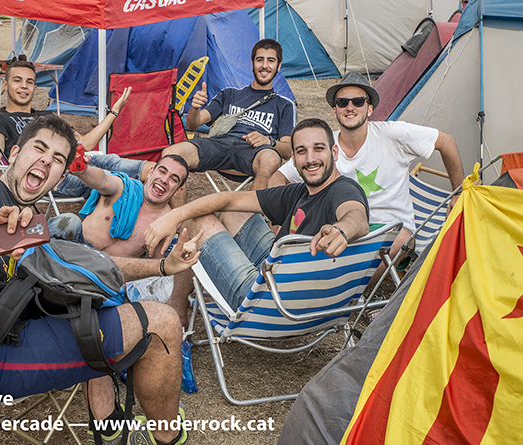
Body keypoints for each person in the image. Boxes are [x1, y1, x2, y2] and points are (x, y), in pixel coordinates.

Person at [0, 115, 192, 445]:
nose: (46, 160)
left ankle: (108, 426)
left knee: (95, 311)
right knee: (162, 323)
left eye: (57, 159)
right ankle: (166, 438)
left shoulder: (28, 221)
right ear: (14, 153)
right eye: (39, 148)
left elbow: (86, 266)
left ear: (60, 177)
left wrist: (161, 267)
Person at [145, 118, 369, 309]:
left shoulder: (343, 189)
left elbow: (356, 216)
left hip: (268, 300)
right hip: (277, 274)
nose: (310, 159)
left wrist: (342, 230)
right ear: (293, 158)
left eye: (318, 149)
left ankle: (177, 308)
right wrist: (173, 216)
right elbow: (230, 200)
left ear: (334, 152)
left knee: (197, 222)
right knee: (235, 211)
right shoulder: (301, 191)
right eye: (302, 151)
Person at [268, 71, 465, 272]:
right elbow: (278, 177)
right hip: (341, 230)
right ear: (335, 110)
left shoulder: (393, 134)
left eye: (358, 101)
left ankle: (349, 289)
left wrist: (459, 191)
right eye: (342, 102)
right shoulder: (324, 146)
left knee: (401, 241)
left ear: (369, 109)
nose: (350, 107)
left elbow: (446, 141)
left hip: (390, 229)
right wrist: (281, 224)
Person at [0, 59, 153, 200]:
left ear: (35, 87)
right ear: (5, 84)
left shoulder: (47, 116)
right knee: (119, 183)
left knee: (138, 169)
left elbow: (85, 144)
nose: (23, 86)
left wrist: (114, 112)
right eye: (17, 80)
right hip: (51, 173)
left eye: (29, 82)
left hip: (80, 161)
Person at [49, 154, 197, 327]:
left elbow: (156, 265)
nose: (164, 180)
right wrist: (83, 170)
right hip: (75, 250)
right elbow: (103, 180)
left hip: (107, 274)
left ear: (178, 190)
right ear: (151, 172)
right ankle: (28, 256)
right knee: (68, 222)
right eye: (162, 171)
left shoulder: (167, 221)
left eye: (173, 179)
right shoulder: (123, 187)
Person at [162, 39, 296, 199]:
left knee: (271, 159)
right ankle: (176, 214)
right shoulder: (230, 94)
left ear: (278, 66)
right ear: (252, 63)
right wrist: (195, 108)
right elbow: (193, 124)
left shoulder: (284, 105)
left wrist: (269, 141)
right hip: (220, 145)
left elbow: (288, 151)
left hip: (254, 152)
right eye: (260, 60)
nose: (264, 65)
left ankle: (249, 213)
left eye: (271, 61)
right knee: (171, 153)